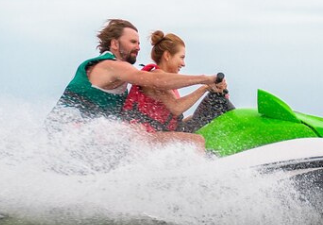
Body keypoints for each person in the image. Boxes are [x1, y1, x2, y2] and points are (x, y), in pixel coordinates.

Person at [56, 19, 219, 120]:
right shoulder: (111, 66)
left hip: (84, 139)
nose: (138, 47)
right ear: (114, 44)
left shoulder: (121, 77)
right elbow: (156, 80)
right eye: (133, 42)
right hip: (65, 135)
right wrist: (205, 79)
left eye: (139, 43)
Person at [121, 30, 234, 149]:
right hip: (143, 137)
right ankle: (202, 167)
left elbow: (174, 120)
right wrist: (205, 86)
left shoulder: (169, 83)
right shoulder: (157, 78)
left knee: (215, 106)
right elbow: (176, 108)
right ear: (167, 56)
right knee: (196, 141)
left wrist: (215, 95)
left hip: (159, 133)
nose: (183, 63)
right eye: (181, 57)